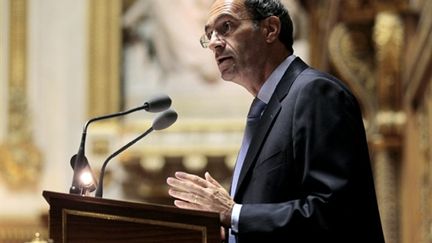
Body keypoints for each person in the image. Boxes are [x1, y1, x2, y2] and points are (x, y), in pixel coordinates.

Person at [166, 0, 385, 242]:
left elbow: (335, 211)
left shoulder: (315, 93)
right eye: (209, 34)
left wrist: (233, 213)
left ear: (270, 29)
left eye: (226, 27)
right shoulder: (264, 110)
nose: (215, 43)